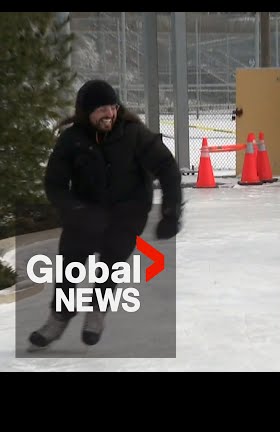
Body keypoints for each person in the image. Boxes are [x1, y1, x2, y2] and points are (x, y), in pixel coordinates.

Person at [29, 79, 183, 349]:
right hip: (85, 213)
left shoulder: (134, 134)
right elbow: (54, 184)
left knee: (110, 266)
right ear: (86, 112)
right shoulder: (72, 140)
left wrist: (171, 212)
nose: (109, 114)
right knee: (69, 266)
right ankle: (59, 317)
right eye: (101, 109)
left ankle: (97, 312)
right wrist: (75, 210)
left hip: (127, 214)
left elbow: (167, 167)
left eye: (112, 107)